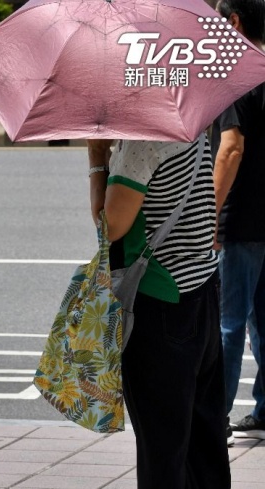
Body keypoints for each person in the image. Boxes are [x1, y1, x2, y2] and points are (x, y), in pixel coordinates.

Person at [87, 137, 229, 488]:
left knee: (162, 448)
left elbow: (111, 226)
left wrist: (96, 157)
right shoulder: (191, 128)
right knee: (204, 440)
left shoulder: (141, 145)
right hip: (203, 291)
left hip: (160, 304)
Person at [211, 0, 265, 443]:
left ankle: (215, 416)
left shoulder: (234, 79)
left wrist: (209, 216)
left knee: (228, 323)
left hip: (243, 220)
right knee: (264, 320)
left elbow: (230, 149)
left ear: (234, 22)